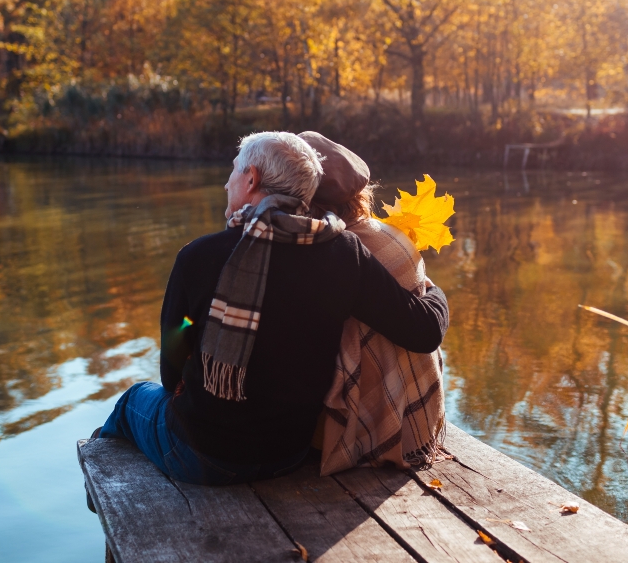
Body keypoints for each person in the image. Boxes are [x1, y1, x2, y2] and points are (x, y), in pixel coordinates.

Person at [92, 131, 449, 489]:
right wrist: (433, 292)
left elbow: (172, 372)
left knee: (132, 400)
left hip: (202, 458)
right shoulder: (344, 254)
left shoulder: (199, 258)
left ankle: (99, 487)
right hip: (288, 455)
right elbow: (424, 332)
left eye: (233, 171)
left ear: (252, 179)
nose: (226, 183)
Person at [300, 132, 453, 476]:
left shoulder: (340, 251)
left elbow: (422, 330)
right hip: (419, 418)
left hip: (372, 429)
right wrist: (436, 291)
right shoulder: (386, 234)